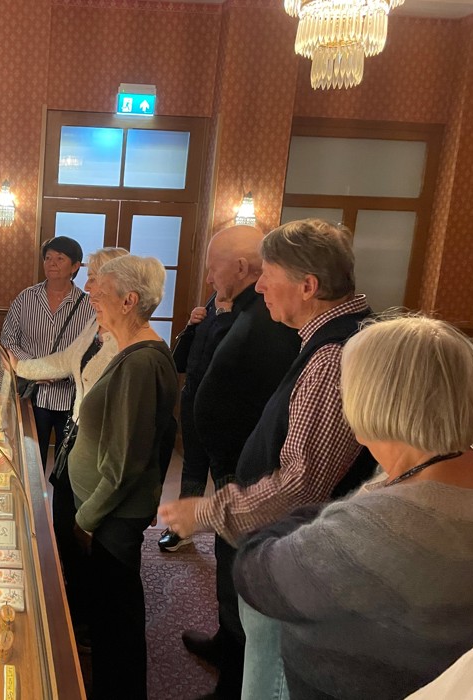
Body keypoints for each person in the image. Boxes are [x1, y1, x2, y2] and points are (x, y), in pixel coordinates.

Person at [160, 218, 377, 700]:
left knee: (272, 670)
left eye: (269, 275)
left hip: (298, 545)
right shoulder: (328, 334)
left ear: (308, 286)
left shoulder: (331, 357)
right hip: (289, 531)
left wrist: (207, 511)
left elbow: (302, 485)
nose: (259, 287)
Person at [233, 316, 473, 700]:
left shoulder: (381, 525)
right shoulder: (465, 464)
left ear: (374, 400)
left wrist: (300, 516)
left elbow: (255, 573)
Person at [162, 226, 299, 699]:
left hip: (248, 468)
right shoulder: (236, 309)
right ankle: (226, 641)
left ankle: (235, 679)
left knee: (242, 568)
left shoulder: (270, 317)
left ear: (241, 267)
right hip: (229, 462)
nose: (208, 276)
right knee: (227, 562)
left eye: (213, 266)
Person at [69, 255, 178, 700]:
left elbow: (126, 461)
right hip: (110, 512)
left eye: (101, 292)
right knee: (111, 611)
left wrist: (85, 519)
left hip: (112, 516)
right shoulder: (131, 351)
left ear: (129, 301)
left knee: (118, 619)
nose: (91, 295)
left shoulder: (140, 363)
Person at [8, 246, 127, 642]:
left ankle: (87, 621)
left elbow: (125, 446)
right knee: (65, 527)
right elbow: (62, 361)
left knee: (89, 541)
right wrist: (20, 366)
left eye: (95, 279)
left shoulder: (131, 348)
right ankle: (73, 605)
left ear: (122, 290)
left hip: (97, 464)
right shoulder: (96, 328)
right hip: (77, 452)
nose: (87, 286)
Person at [1, 236, 95, 463]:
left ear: (75, 266)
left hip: (71, 397)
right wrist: (35, 368)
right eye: (48, 258)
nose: (52, 263)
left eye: (60, 258)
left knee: (67, 462)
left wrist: (64, 372)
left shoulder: (88, 305)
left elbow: (92, 350)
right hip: (32, 395)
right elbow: (8, 339)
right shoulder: (26, 298)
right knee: (31, 459)